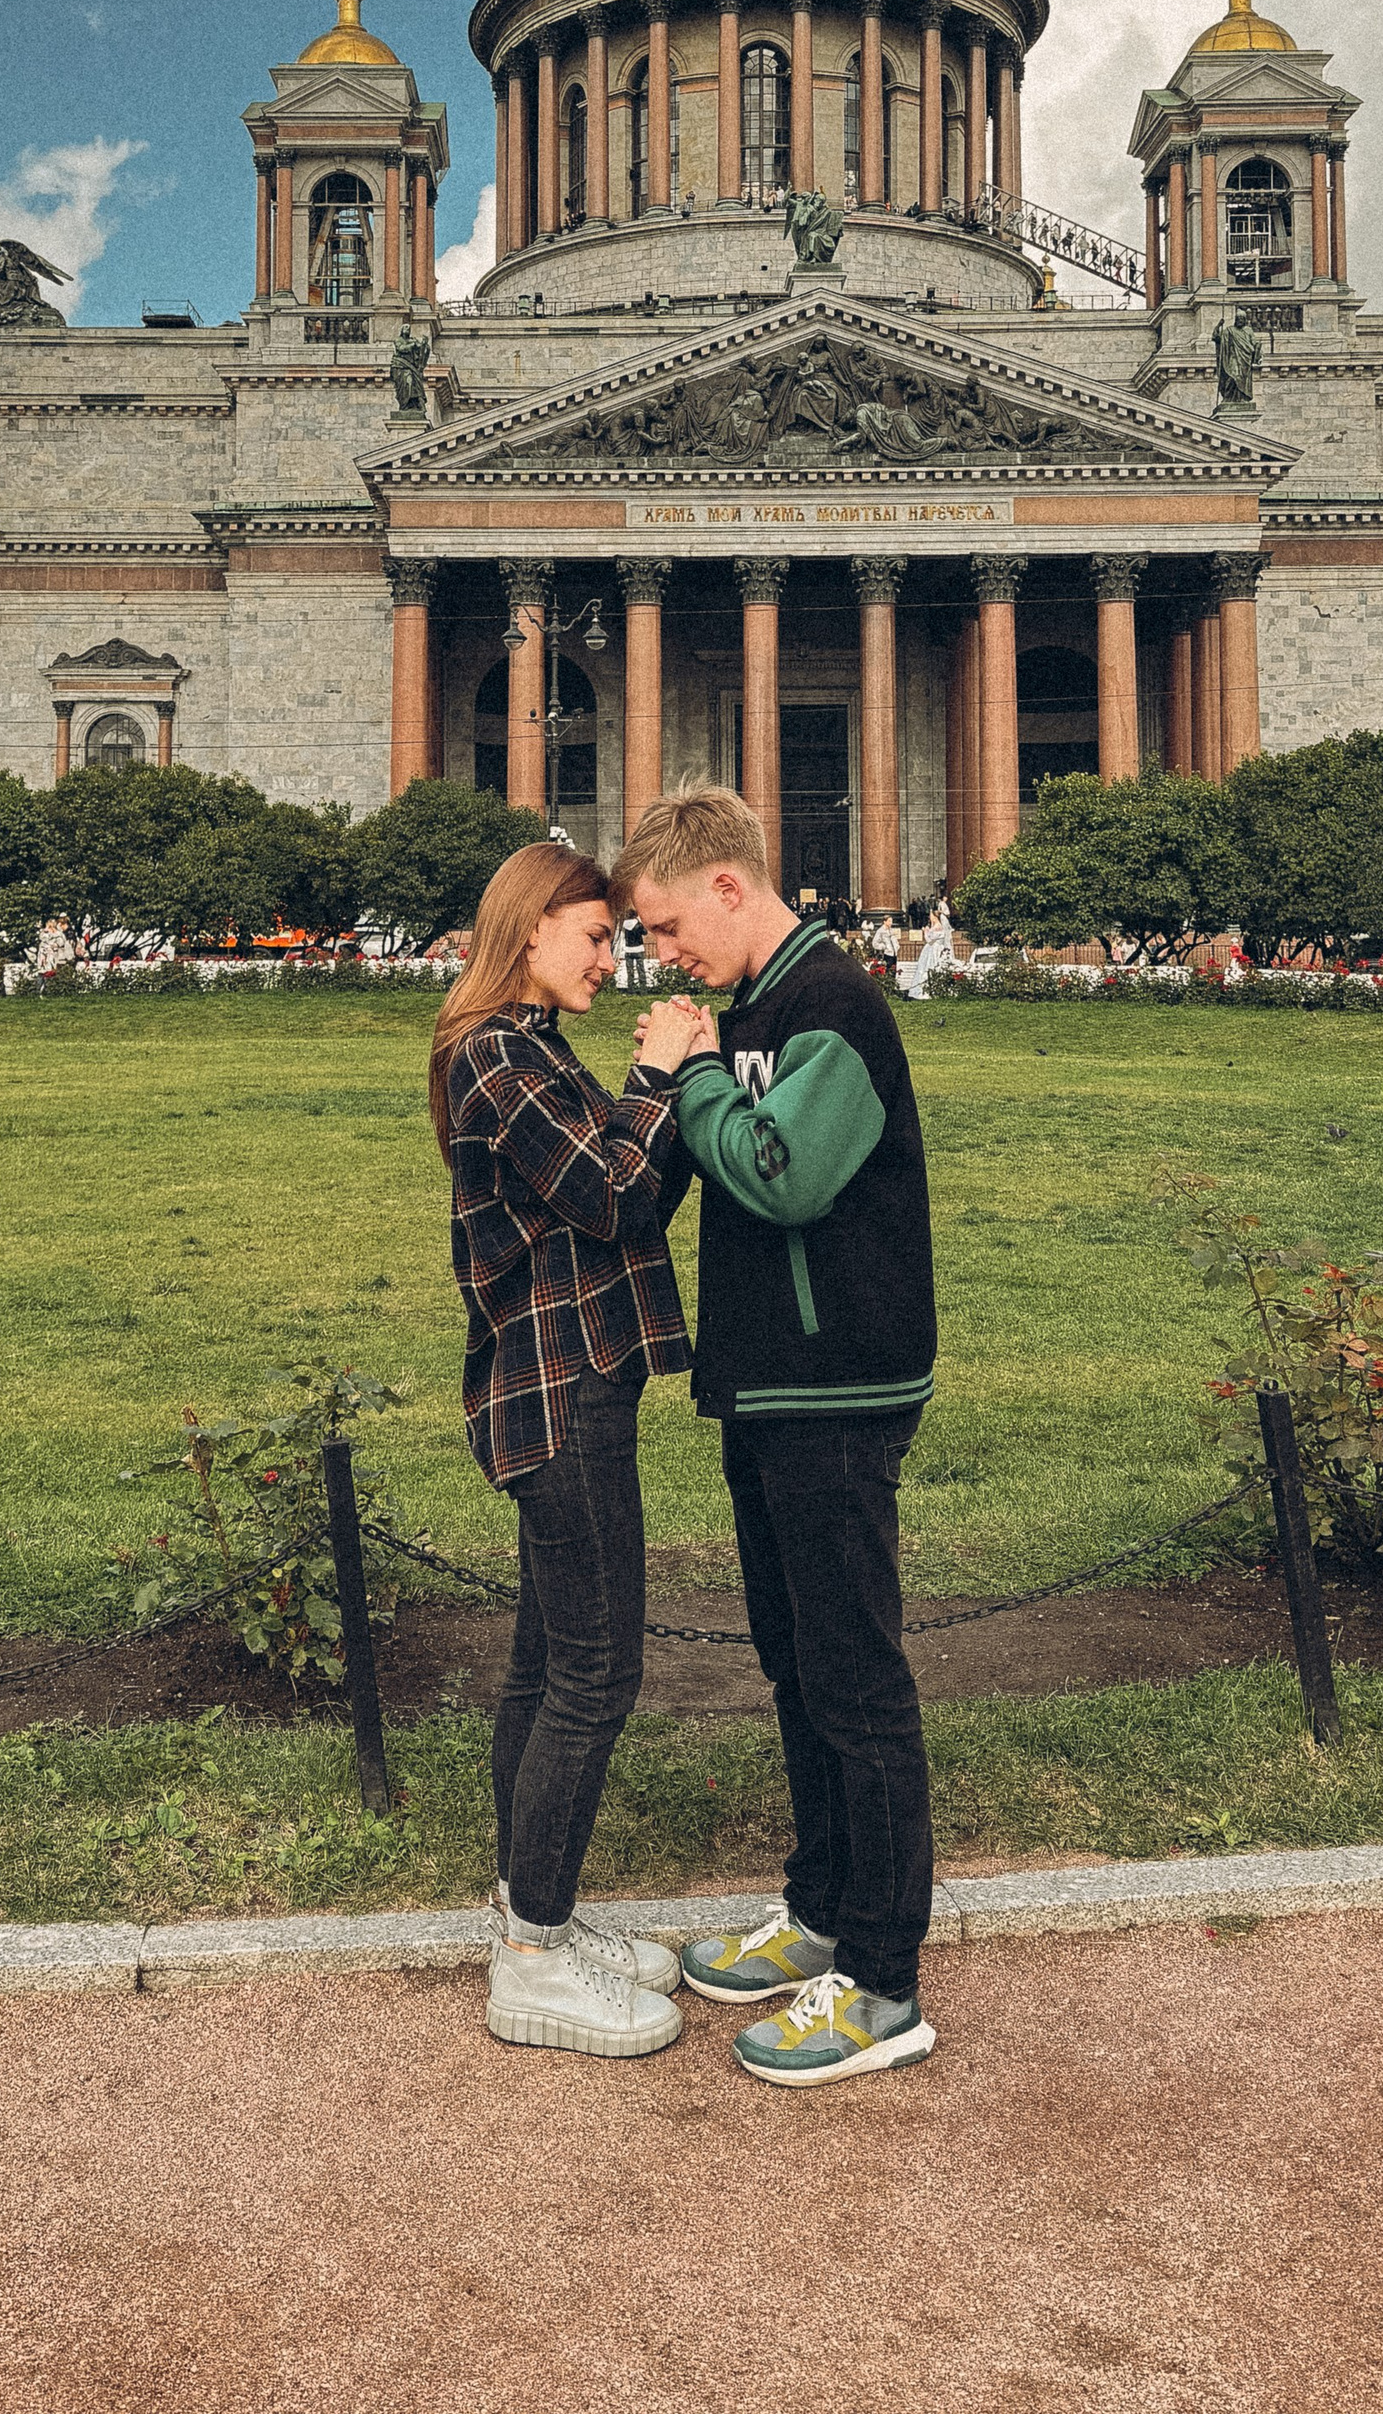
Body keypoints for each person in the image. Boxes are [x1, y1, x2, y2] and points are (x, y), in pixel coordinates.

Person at [614, 782, 940, 2089]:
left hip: (840, 1385)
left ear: (731, 887)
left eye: (669, 925)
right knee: (795, 1662)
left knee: (855, 1676)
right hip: (762, 1383)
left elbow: (784, 1173)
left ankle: (885, 1979)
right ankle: (820, 1911)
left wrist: (693, 1071)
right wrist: (661, 1077)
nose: (663, 953)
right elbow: (665, 1177)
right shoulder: (743, 1016)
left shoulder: (833, 1007)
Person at [430, 841, 712, 2061]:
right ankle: (533, 1953)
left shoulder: (527, 1047)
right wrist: (659, 1073)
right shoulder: (500, 1052)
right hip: (561, 1393)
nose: (612, 954)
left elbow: (634, 1181)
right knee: (596, 1673)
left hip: (563, 1380)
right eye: (594, 935)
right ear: (529, 930)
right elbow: (616, 1195)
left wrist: (673, 1093)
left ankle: (529, 1909)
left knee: (546, 1669)